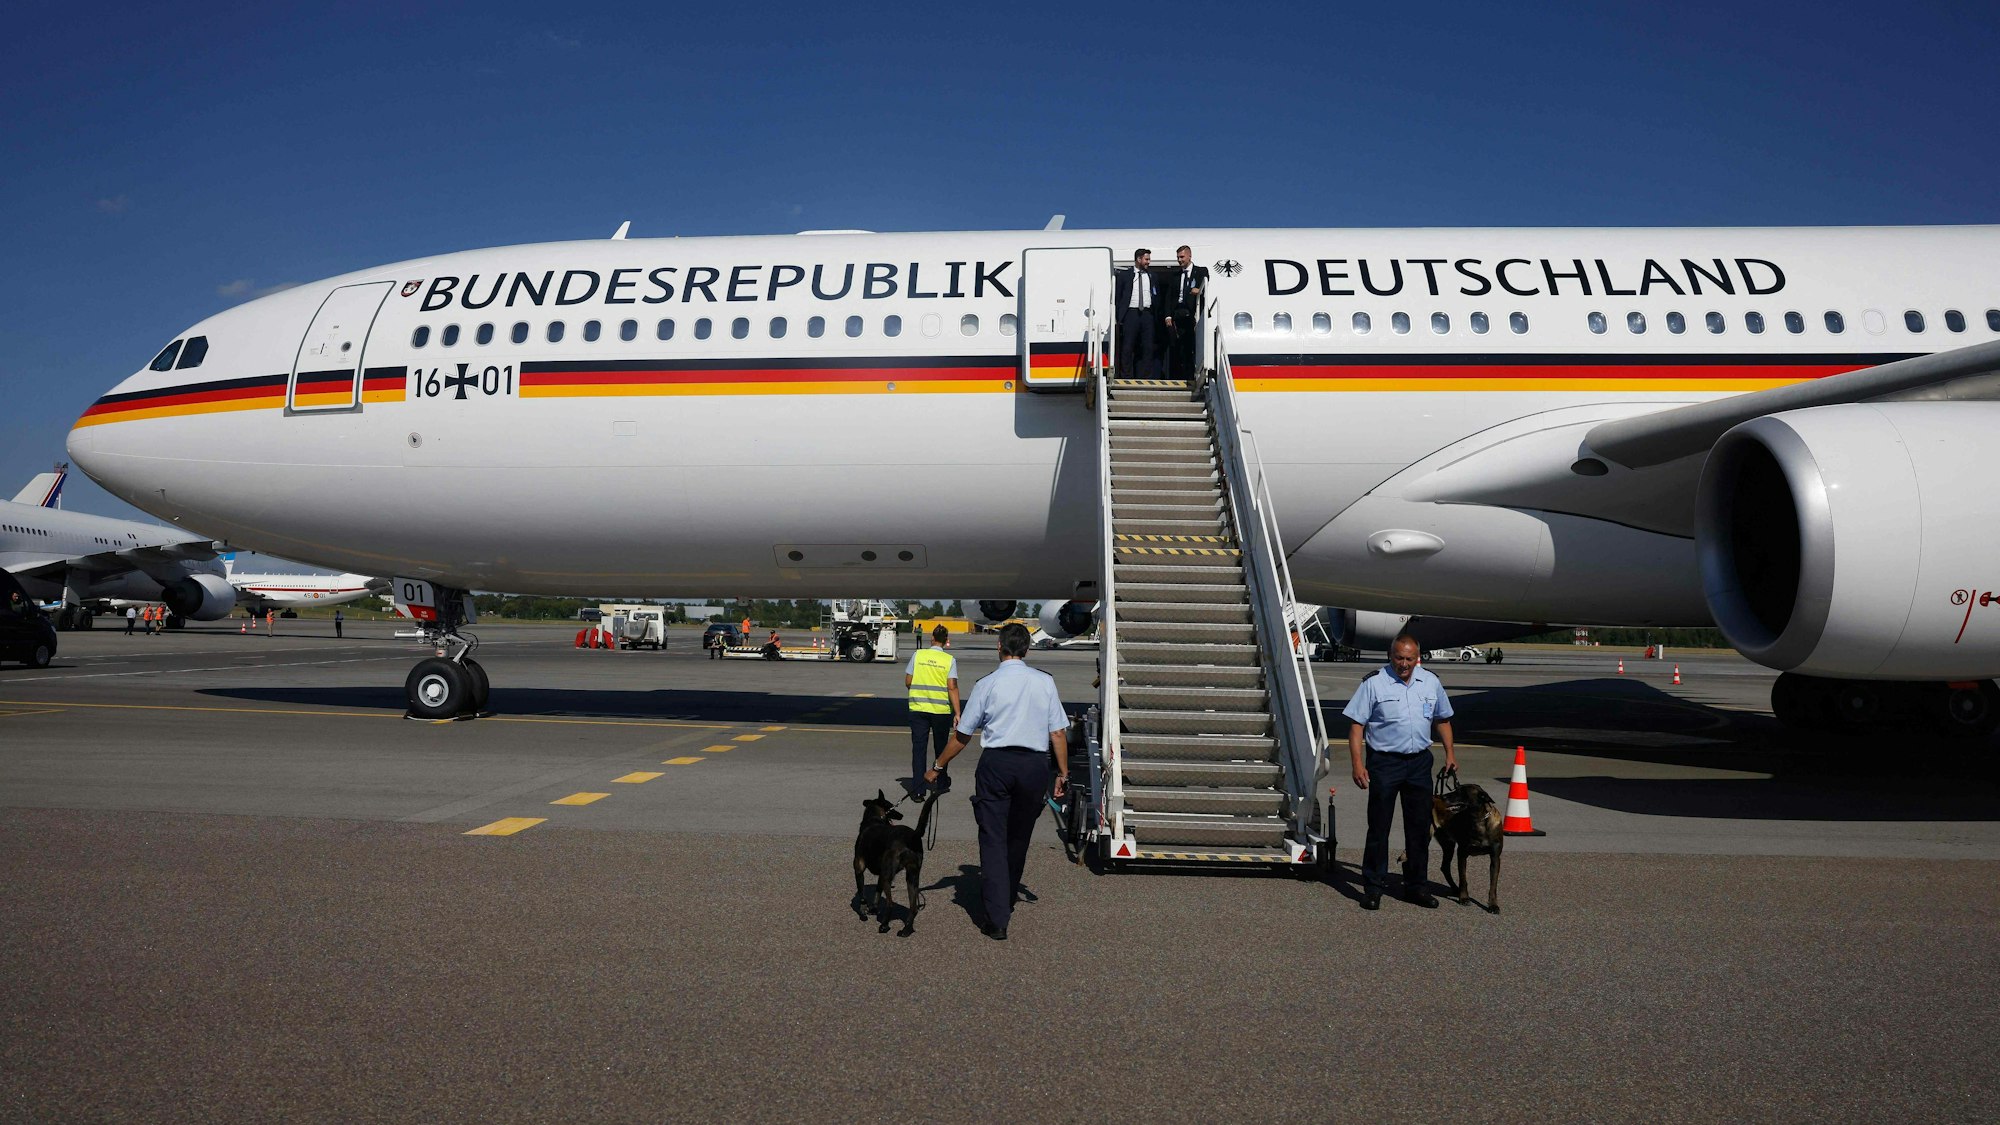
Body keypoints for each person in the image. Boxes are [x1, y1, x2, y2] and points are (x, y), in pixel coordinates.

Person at [925, 622, 1068, 940]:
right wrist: (1063, 774)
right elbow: (1057, 732)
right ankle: (1007, 898)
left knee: (992, 839)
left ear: (999, 647)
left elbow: (962, 736)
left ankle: (997, 918)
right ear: (1027, 649)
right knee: (1018, 838)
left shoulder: (987, 684)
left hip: (997, 765)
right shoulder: (1045, 682)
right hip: (1033, 766)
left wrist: (937, 765)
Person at [1343, 633, 1457, 910]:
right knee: (1379, 827)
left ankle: (1417, 886)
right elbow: (1357, 726)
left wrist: (1450, 753)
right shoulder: (1374, 683)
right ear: (1390, 656)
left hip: (1419, 763)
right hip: (1384, 763)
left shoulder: (1430, 682)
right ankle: (1373, 886)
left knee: (1419, 829)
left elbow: (1442, 719)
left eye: (1409, 659)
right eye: (1398, 658)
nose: (1403, 664)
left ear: (1417, 658)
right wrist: (1357, 763)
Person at [904, 625, 961, 798]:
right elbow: (952, 687)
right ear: (946, 641)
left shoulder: (918, 655)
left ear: (932, 639)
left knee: (919, 749)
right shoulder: (949, 660)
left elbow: (908, 681)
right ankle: (941, 783)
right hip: (940, 711)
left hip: (918, 708)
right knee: (941, 749)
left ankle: (918, 790)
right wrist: (958, 713)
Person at [1114, 248, 1163, 379]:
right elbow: (1118, 297)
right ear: (1138, 259)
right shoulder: (1125, 275)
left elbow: (1156, 296)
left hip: (1147, 314)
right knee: (1128, 346)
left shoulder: (1152, 276)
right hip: (1131, 313)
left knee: (1147, 346)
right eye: (1146, 259)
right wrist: (1118, 317)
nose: (1149, 262)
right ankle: (1126, 376)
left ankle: (1145, 376)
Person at [1164, 245, 1209, 381]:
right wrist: (1168, 315)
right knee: (1177, 347)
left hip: (1192, 313)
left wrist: (1199, 289)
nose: (1179, 260)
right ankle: (1178, 377)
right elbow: (1169, 296)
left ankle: (1191, 377)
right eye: (1178, 257)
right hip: (1178, 313)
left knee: (1191, 346)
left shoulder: (1201, 271)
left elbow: (1205, 285)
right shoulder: (1175, 275)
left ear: (1189, 256)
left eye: (1182, 257)